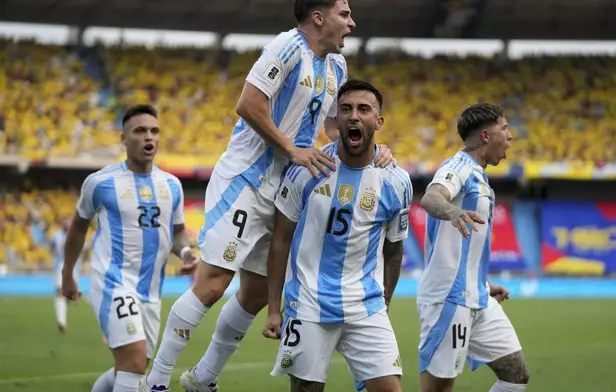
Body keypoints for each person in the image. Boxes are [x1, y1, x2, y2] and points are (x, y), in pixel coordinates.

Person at [140, 2, 395, 392]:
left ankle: (203, 378)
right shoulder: (286, 48)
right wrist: (292, 149)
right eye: (344, 13)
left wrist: (373, 148)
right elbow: (248, 104)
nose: (351, 22)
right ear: (319, 17)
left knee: (257, 292)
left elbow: (332, 125)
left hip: (285, 188)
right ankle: (155, 382)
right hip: (247, 178)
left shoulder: (336, 67)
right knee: (212, 283)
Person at [262, 79, 411, 392]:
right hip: (308, 303)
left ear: (378, 121)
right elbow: (280, 241)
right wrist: (274, 308)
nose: (354, 115)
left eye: (363, 109)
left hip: (366, 305)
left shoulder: (396, 182)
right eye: (346, 109)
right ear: (337, 119)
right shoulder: (307, 170)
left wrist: (384, 303)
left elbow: (394, 252)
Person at [62, 104, 198, 392]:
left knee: (133, 366)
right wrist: (67, 274)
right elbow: (78, 227)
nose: (149, 137)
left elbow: (176, 235)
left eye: (154, 131)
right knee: (134, 361)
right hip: (113, 282)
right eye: (140, 131)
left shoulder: (172, 186)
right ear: (124, 138)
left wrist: (186, 253)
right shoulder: (100, 182)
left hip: (150, 291)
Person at [417, 103, 530, 392]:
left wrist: (485, 283)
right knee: (439, 387)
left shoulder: (480, 177)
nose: (510, 137)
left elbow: (467, 247)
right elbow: (431, 199)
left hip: (477, 295)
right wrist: (454, 213)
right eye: (504, 129)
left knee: (515, 374)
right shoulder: (459, 167)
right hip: (449, 298)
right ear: (485, 135)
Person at [51, 217, 82, 334]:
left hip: (75, 267)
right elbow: (52, 248)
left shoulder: (76, 235)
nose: (67, 224)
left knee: (66, 296)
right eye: (65, 221)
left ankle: (73, 295)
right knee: (60, 292)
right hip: (61, 266)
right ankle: (61, 321)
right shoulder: (56, 235)